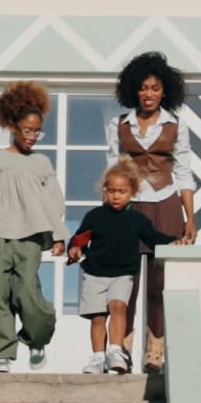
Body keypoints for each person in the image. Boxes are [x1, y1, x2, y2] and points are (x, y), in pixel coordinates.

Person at [0, 81, 66, 374]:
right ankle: (2, 352)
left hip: (30, 238)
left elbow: (52, 204)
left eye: (37, 131)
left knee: (28, 292)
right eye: (27, 130)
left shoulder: (42, 163)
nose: (32, 137)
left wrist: (59, 236)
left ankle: (36, 338)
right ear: (13, 127)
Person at [109, 52, 201, 372]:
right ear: (134, 90)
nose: (149, 94)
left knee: (158, 284)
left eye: (155, 88)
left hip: (166, 206)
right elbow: (112, 172)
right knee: (127, 283)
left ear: (165, 91)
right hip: (130, 208)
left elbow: (184, 173)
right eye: (143, 88)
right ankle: (120, 352)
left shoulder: (176, 126)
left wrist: (190, 218)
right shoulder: (119, 125)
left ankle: (154, 354)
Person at [67, 161, 178, 375]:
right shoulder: (94, 216)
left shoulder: (138, 220)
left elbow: (153, 238)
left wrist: (174, 241)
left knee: (118, 306)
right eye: (112, 191)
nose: (116, 196)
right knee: (98, 317)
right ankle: (98, 357)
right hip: (94, 274)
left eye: (122, 192)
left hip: (122, 274)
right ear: (105, 191)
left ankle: (116, 352)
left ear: (133, 192)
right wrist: (75, 248)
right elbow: (80, 238)